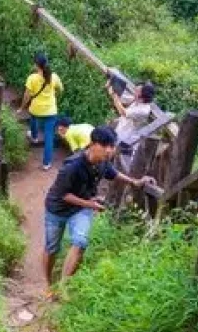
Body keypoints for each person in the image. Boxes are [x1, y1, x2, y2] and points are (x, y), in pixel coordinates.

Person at [44, 126, 156, 296]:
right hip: (57, 209)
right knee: (52, 248)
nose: (109, 150)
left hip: (81, 208)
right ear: (92, 144)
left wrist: (135, 182)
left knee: (80, 242)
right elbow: (64, 195)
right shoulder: (72, 166)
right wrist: (91, 204)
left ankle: (63, 287)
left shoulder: (103, 163)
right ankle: (48, 284)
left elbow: (114, 173)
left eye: (111, 146)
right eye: (104, 145)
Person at [20, 53, 63, 171]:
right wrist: (53, 94)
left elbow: (27, 96)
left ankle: (34, 137)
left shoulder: (32, 78)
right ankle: (46, 163)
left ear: (36, 65)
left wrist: (22, 107)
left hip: (36, 109)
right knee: (49, 136)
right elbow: (61, 89)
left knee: (33, 118)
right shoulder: (54, 76)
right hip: (51, 111)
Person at [106, 80, 158, 168]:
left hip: (126, 141)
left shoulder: (143, 110)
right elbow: (122, 100)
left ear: (142, 95)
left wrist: (114, 95)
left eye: (138, 90)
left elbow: (123, 112)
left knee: (115, 164)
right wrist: (110, 88)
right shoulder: (137, 101)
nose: (135, 90)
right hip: (120, 135)